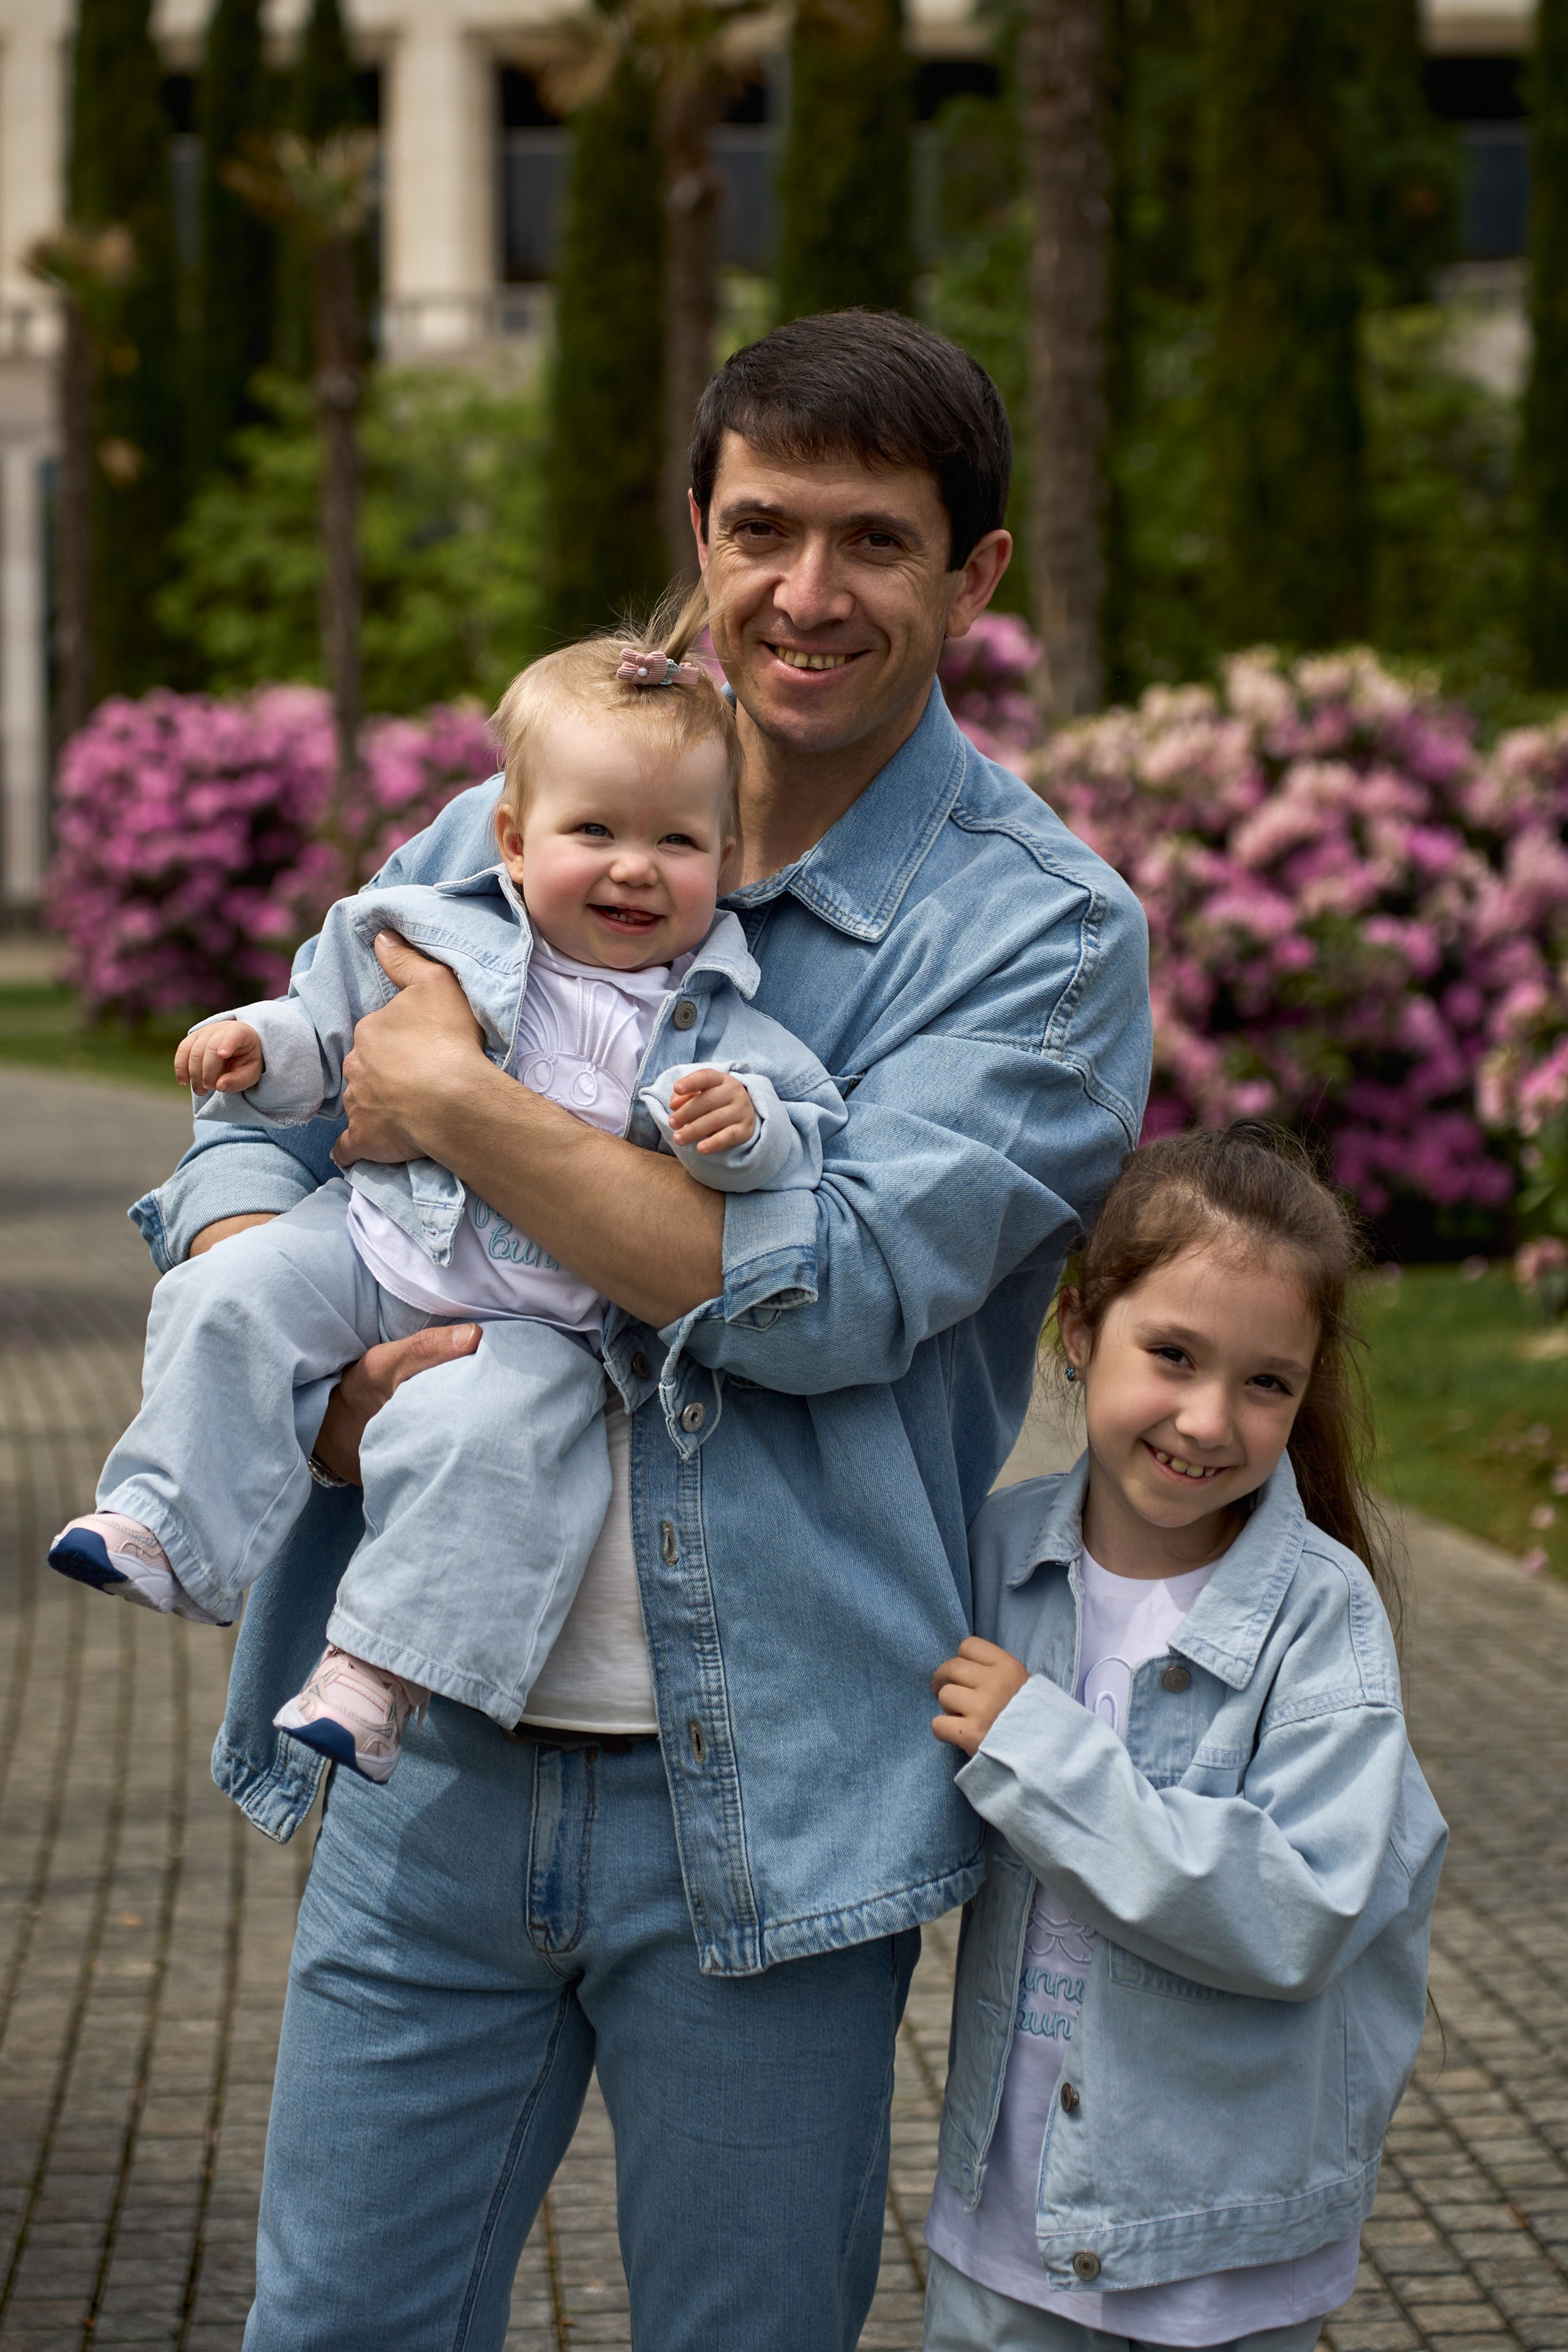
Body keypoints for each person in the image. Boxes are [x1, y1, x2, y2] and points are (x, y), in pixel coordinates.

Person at [130, 310, 1152, 2351]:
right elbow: (250, 1132)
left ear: (978, 577)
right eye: (761, 526)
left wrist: (458, 1111)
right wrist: (323, 1389)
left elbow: (814, 1295)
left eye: (876, 541)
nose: (804, 592)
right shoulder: (513, 820)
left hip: (775, 1813)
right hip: (430, 1745)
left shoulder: (1041, 936)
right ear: (696, 525)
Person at [51, 621, 846, 1782]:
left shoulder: (723, 1021)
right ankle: (169, 1527)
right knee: (226, 1291)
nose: (635, 866)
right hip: (373, 1244)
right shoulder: (443, 935)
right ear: (514, 843)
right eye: (595, 833)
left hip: (540, 1325)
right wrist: (256, 1046)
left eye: (677, 842)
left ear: (725, 862)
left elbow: (798, 1130)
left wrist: (745, 1130)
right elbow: (330, 1026)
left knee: (481, 1452)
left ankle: (376, 1675)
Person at [924, 1125, 1446, 2352]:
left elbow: (1296, 1909)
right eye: (1171, 1354)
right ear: (1075, 1329)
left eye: (1265, 1382)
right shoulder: (993, 1557)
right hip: (1006, 2229)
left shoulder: (1319, 1617)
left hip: (1219, 2245)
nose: (1207, 1419)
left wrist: (1041, 1752)